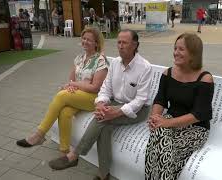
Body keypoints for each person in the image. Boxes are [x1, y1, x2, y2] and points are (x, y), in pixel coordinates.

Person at [48, 29, 152, 180]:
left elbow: (140, 100)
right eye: (118, 42)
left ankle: (74, 155)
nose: (120, 46)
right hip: (115, 103)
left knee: (101, 119)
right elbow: (105, 89)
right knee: (105, 126)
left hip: (138, 110)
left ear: (135, 45)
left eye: (125, 43)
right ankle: (104, 174)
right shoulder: (115, 63)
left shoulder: (144, 67)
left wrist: (116, 112)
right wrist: (101, 103)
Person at [16, 27, 108, 155]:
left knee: (61, 96)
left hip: (94, 99)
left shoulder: (101, 61)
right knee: (64, 112)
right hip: (79, 96)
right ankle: (64, 150)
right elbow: (71, 79)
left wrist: (74, 84)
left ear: (96, 43)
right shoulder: (79, 58)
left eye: (89, 40)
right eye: (84, 38)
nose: (85, 41)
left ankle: (39, 134)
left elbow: (95, 87)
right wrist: (72, 86)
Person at [145, 33, 214, 180]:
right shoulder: (168, 73)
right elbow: (160, 100)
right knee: (161, 140)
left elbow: (199, 114)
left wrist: (165, 122)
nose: (176, 52)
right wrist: (155, 117)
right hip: (169, 123)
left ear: (193, 53)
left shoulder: (205, 78)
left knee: (158, 145)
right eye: (175, 48)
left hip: (195, 128)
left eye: (181, 49)